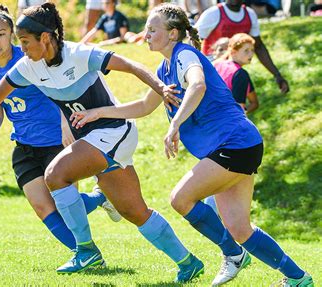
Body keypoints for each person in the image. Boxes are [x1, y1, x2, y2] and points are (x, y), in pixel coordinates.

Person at [0, 2, 203, 282]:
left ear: (45, 38)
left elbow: (130, 65)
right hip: (96, 139)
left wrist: (160, 87)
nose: (20, 48)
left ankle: (85, 249)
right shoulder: (28, 67)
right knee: (134, 211)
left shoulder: (79, 54)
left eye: (24, 41)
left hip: (114, 130)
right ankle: (188, 262)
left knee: (56, 175)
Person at [70, 4, 313, 287]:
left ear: (172, 34)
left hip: (234, 144)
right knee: (239, 227)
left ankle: (234, 255)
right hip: (240, 144)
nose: (145, 35)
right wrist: (98, 112)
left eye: (152, 30)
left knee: (181, 199)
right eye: (146, 30)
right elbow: (145, 106)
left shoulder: (184, 54)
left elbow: (198, 85)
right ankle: (298, 278)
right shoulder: (165, 67)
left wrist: (174, 125)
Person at [0, 4, 121, 251]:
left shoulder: (29, 58)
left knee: (66, 206)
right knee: (43, 207)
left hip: (56, 140)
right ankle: (86, 254)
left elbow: (59, 92)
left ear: (12, 34)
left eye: (1, 33)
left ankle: (100, 198)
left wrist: (66, 124)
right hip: (24, 144)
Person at [195, 0, 290, 93]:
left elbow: (259, 47)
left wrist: (277, 75)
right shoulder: (213, 13)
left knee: (242, 103)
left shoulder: (250, 14)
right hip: (211, 71)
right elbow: (193, 41)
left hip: (233, 72)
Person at [214, 33, 259, 113]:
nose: (251, 54)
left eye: (252, 50)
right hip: (225, 122)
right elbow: (237, 111)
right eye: (246, 50)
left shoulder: (216, 65)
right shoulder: (240, 74)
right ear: (233, 52)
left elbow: (254, 103)